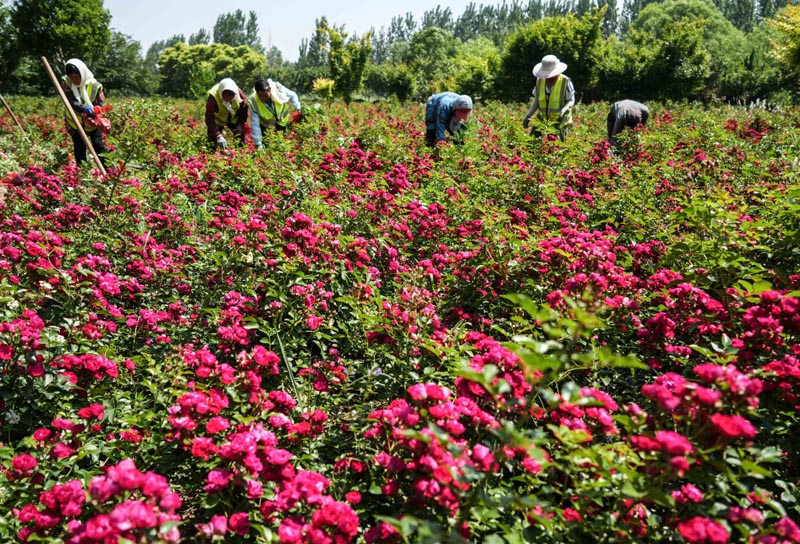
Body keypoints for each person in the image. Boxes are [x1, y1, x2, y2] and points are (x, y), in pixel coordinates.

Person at [60, 58, 107, 166]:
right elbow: (70, 101)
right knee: (79, 148)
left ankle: (108, 172)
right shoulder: (66, 82)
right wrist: (84, 108)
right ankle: (82, 173)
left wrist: (95, 110)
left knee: (98, 146)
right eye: (72, 77)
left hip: (93, 123)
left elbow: (100, 103)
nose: (75, 80)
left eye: (77, 76)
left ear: (83, 73)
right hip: (74, 122)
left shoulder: (96, 86)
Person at [523, 54, 575, 142]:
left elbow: (571, 100)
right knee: (532, 141)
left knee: (557, 146)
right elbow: (537, 100)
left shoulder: (565, 82)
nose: (548, 77)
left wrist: (563, 110)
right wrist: (528, 115)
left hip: (560, 121)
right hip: (542, 119)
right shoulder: (540, 81)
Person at [248, 78, 302, 150]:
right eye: (261, 96)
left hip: (283, 122)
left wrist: (297, 108)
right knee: (268, 147)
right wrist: (258, 143)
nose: (263, 98)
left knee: (284, 145)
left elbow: (293, 95)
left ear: (270, 90)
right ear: (257, 93)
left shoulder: (278, 89)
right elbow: (255, 124)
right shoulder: (253, 101)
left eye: (266, 95)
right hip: (266, 126)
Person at [205, 78, 248, 150]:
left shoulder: (239, 93)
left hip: (233, 118)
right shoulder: (213, 97)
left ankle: (240, 153)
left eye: (230, 95)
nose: (227, 98)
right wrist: (217, 135)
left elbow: (243, 109)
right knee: (212, 141)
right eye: (225, 95)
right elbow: (209, 117)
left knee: (240, 137)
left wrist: (240, 123)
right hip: (218, 119)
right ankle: (210, 155)